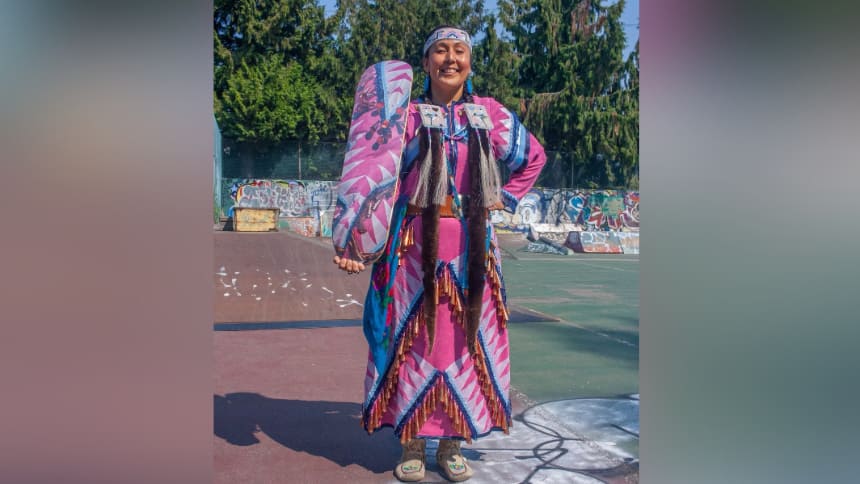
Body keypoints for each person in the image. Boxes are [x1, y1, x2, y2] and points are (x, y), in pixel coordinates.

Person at [333, 25, 546, 482]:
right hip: (411, 252)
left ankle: (452, 443)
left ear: (470, 62)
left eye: (460, 51)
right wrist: (355, 241)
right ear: (426, 62)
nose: (451, 59)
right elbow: (369, 177)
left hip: (473, 252)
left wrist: (504, 198)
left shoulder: (489, 115)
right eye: (441, 51)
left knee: (464, 348)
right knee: (413, 347)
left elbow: (534, 157)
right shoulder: (403, 116)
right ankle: (410, 441)